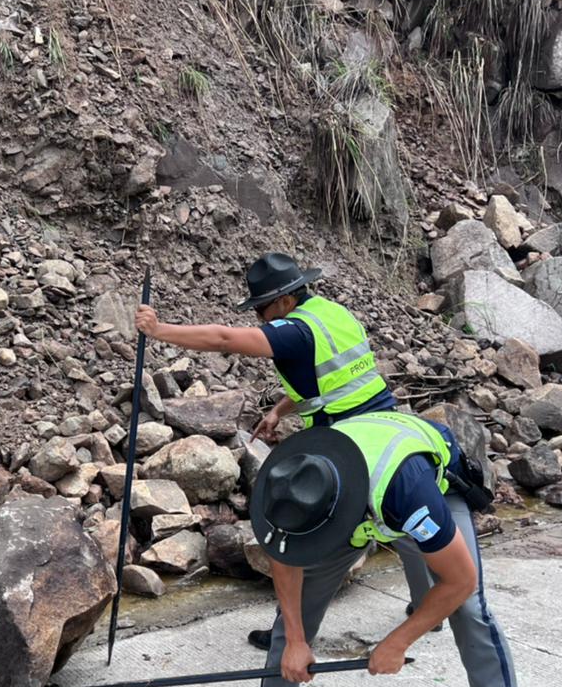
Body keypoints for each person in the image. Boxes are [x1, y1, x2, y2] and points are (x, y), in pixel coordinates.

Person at [229, 410, 532, 687]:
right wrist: (296, 642)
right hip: (354, 505)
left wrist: (397, 640)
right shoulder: (287, 482)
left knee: (471, 614)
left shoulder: (406, 494)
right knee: (296, 610)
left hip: (426, 487)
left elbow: (460, 580)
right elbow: (286, 560)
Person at [134, 251, 400, 649]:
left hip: (347, 439)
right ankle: (431, 601)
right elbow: (333, 377)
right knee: (401, 511)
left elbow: (224, 338)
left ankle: (286, 639)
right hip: (385, 423)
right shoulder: (332, 314)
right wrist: (279, 409)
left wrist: (158, 330)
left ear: (285, 300)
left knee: (296, 528)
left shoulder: (293, 330)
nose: (260, 318)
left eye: (261, 309)